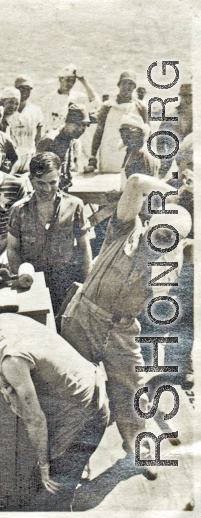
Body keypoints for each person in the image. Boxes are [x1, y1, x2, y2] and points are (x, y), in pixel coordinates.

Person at [60, 173, 192, 479]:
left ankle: (136, 448)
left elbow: (159, 299)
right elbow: (134, 182)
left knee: (132, 393)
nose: (160, 238)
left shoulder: (166, 267)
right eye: (159, 231)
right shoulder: (124, 229)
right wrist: (177, 190)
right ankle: (75, 456)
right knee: (72, 392)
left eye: (168, 237)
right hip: (82, 317)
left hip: (121, 330)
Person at [0, 289, 109, 510]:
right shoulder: (4, 320)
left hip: (84, 421)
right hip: (91, 393)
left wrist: (44, 467)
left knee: (51, 499)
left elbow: (35, 419)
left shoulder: (12, 359)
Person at [7, 152, 92, 314]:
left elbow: (84, 247)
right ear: (31, 180)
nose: (47, 189)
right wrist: (20, 280)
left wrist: (86, 285)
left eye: (52, 183)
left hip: (65, 280)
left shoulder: (75, 206)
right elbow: (12, 249)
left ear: (59, 178)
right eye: (40, 183)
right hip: (32, 281)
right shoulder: (19, 210)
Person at [88, 71, 149, 174]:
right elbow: (99, 132)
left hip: (131, 155)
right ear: (118, 85)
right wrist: (92, 156)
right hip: (109, 153)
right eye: (124, 83)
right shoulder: (107, 106)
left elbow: (147, 133)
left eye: (130, 84)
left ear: (134, 87)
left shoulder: (141, 107)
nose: (127, 86)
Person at [37, 103, 90, 190]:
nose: (81, 129)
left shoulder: (72, 139)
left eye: (84, 125)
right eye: (77, 125)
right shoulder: (50, 141)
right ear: (67, 122)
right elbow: (39, 175)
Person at [41, 64, 99, 132]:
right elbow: (44, 122)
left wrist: (83, 80)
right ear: (60, 79)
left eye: (73, 81)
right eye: (67, 80)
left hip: (72, 135)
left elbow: (96, 102)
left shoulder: (79, 98)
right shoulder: (48, 99)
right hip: (54, 136)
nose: (70, 84)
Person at [8, 76, 44, 175]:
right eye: (21, 88)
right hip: (11, 157)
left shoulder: (36, 110)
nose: (24, 92)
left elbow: (38, 138)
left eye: (27, 89)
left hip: (30, 156)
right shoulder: (8, 110)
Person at [157, 83, 193, 178]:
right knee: (172, 184)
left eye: (191, 96)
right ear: (180, 96)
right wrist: (163, 160)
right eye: (185, 96)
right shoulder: (171, 115)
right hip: (173, 161)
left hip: (193, 161)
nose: (188, 99)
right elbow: (159, 140)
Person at [118, 113, 160, 187]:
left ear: (140, 133)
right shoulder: (131, 151)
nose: (124, 135)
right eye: (122, 131)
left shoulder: (143, 154)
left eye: (129, 131)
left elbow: (144, 189)